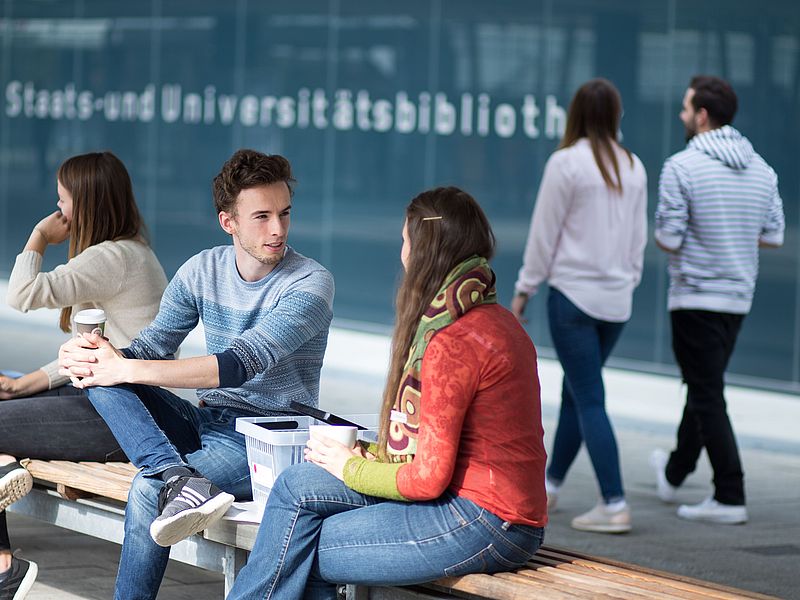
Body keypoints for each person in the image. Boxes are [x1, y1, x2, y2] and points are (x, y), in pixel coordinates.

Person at [227, 186, 547, 600]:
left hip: (487, 519)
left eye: (404, 241)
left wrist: (350, 467)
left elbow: (428, 478)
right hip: (486, 508)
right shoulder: (491, 318)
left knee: (296, 548)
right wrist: (368, 453)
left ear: (422, 251)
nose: (402, 253)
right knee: (295, 489)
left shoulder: (454, 339)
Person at [58, 148, 334, 600]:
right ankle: (176, 475)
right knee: (95, 370)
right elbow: (150, 348)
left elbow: (238, 365)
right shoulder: (201, 270)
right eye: (261, 216)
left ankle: (166, 477)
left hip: (264, 439)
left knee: (147, 491)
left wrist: (123, 364)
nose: (278, 229)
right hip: (206, 421)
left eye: (284, 214)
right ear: (228, 222)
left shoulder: (310, 282)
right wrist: (97, 354)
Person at [0, 151, 168, 599]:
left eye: (62, 200)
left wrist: (38, 237)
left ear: (87, 203)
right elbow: (96, 351)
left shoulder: (112, 259)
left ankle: (2, 567)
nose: (58, 211)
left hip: (119, 417)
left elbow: (22, 293)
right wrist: (25, 384)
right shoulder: (127, 254)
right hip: (107, 403)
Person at [511, 78, 647, 534]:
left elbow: (543, 233)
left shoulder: (566, 163)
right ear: (615, 114)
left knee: (588, 397)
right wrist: (627, 282)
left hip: (571, 298)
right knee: (579, 390)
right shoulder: (634, 166)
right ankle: (550, 485)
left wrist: (524, 288)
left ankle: (614, 501)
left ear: (576, 114)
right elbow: (638, 242)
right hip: (616, 302)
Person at [651, 75, 784, 525]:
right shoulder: (763, 170)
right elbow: (775, 235)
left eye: (686, 108)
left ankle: (730, 493)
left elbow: (668, 238)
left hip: (694, 296)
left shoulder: (681, 167)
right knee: (703, 386)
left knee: (707, 393)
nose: (682, 116)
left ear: (702, 116)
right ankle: (674, 472)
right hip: (737, 298)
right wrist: (734, 234)